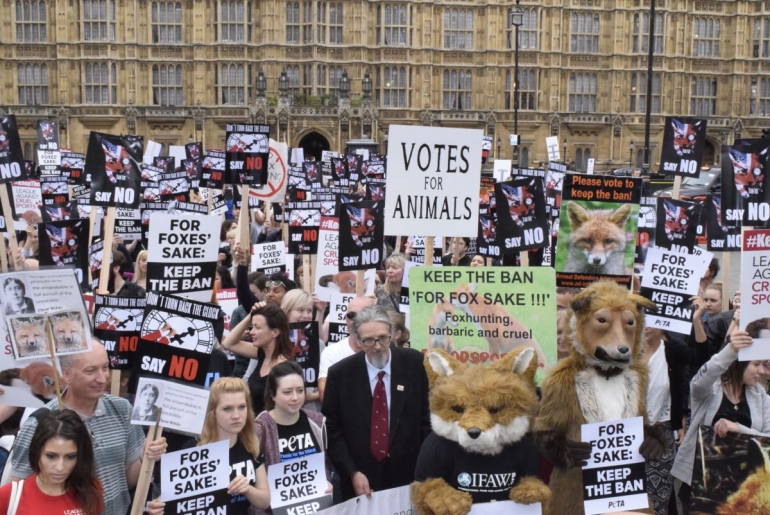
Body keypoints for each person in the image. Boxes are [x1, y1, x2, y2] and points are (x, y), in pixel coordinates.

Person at [11, 340, 167, 515]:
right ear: (67, 374)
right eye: (91, 371)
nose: (102, 378)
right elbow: (17, 494)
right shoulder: (41, 423)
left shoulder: (122, 409)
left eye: (105, 367)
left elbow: (128, 480)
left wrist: (146, 455)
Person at [322, 305, 431, 500]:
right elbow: (332, 428)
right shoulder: (340, 374)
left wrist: (424, 470)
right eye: (369, 340)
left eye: (383, 338)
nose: (378, 346)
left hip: (410, 476)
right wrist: (352, 472)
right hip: (361, 481)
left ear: (392, 335)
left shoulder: (414, 363)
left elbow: (427, 419)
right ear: (358, 340)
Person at [671, 330, 770, 513]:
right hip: (699, 483)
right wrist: (731, 349)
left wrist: (737, 428)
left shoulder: (760, 396)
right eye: (756, 364)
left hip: (742, 492)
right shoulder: (709, 389)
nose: (761, 371)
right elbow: (699, 381)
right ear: (738, 363)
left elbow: (768, 439)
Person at [148, 378, 270, 515]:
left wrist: (247, 489)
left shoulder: (251, 444)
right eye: (227, 409)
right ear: (212, 412)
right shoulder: (192, 450)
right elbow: (169, 500)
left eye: (242, 407)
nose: (236, 416)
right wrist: (156, 507)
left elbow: (265, 501)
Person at [253, 362, 331, 514]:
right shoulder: (260, 429)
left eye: (300, 391)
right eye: (287, 392)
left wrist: (327, 483)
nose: (295, 398)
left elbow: (324, 463)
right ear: (272, 394)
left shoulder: (317, 422)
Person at [0, 409, 102, 515]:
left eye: (70, 457)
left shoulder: (91, 490)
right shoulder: (7, 496)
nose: (60, 467)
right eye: (51, 456)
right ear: (37, 452)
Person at [640, 327, 688, 515]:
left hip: (662, 432)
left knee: (658, 501)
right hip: (626, 435)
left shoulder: (672, 349)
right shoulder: (620, 352)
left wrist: (680, 417)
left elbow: (681, 384)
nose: (647, 325)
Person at [222, 304, 294, 414]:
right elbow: (228, 344)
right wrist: (250, 315)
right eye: (252, 326)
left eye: (257, 327)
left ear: (275, 332)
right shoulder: (262, 354)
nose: (251, 332)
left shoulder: (285, 368)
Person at [318, 296, 376, 401]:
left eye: (363, 315)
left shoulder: (383, 351)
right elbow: (326, 397)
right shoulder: (332, 352)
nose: (356, 321)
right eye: (352, 315)